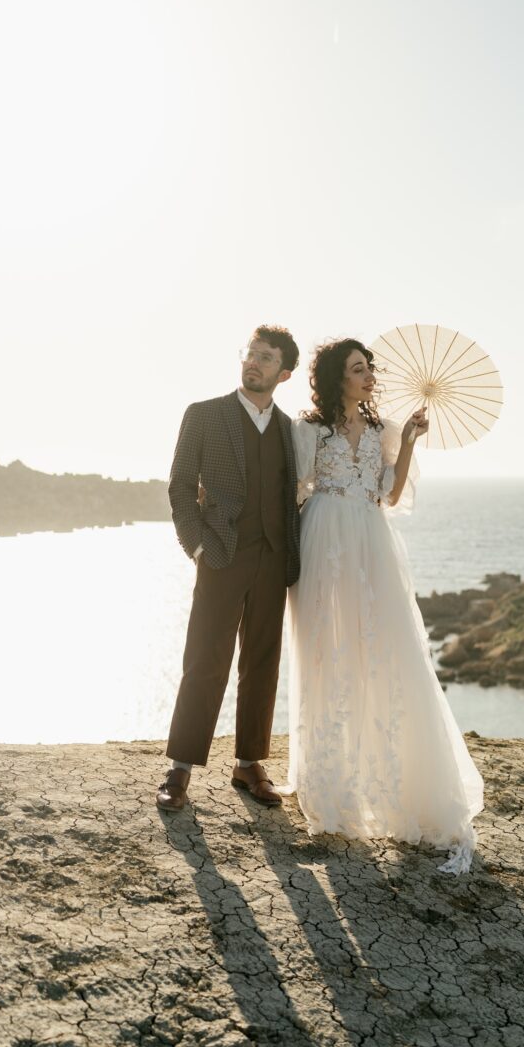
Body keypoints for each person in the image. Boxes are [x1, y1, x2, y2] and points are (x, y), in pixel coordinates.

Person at [287, 338, 484, 874]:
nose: (369, 374)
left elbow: (391, 497)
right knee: (327, 652)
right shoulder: (306, 430)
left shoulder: (383, 431)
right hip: (323, 538)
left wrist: (413, 442)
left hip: (370, 540)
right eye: (358, 368)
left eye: (370, 366)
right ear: (336, 377)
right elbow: (292, 490)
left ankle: (389, 779)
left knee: (383, 649)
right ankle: (330, 784)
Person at [157, 325, 301, 813]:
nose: (252, 362)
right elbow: (179, 487)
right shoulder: (204, 415)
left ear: (283, 372)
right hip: (219, 556)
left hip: (272, 560)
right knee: (205, 660)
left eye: (265, 357)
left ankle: (248, 763)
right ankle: (179, 768)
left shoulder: (288, 429)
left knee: (262, 663)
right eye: (250, 353)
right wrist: (197, 547)